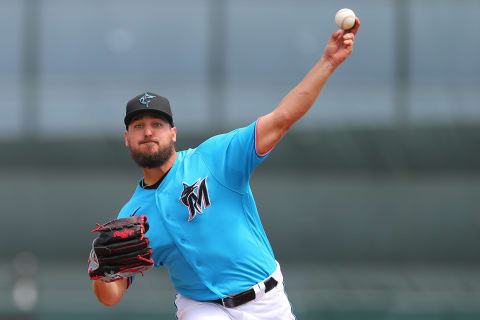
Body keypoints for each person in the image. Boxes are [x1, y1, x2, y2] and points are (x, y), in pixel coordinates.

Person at [92, 18, 360, 319]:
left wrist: (328, 61)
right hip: (201, 307)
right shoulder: (132, 216)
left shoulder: (214, 158)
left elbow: (282, 118)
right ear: (127, 139)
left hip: (266, 299)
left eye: (157, 124)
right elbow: (111, 296)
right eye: (138, 126)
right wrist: (102, 272)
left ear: (173, 133)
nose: (148, 132)